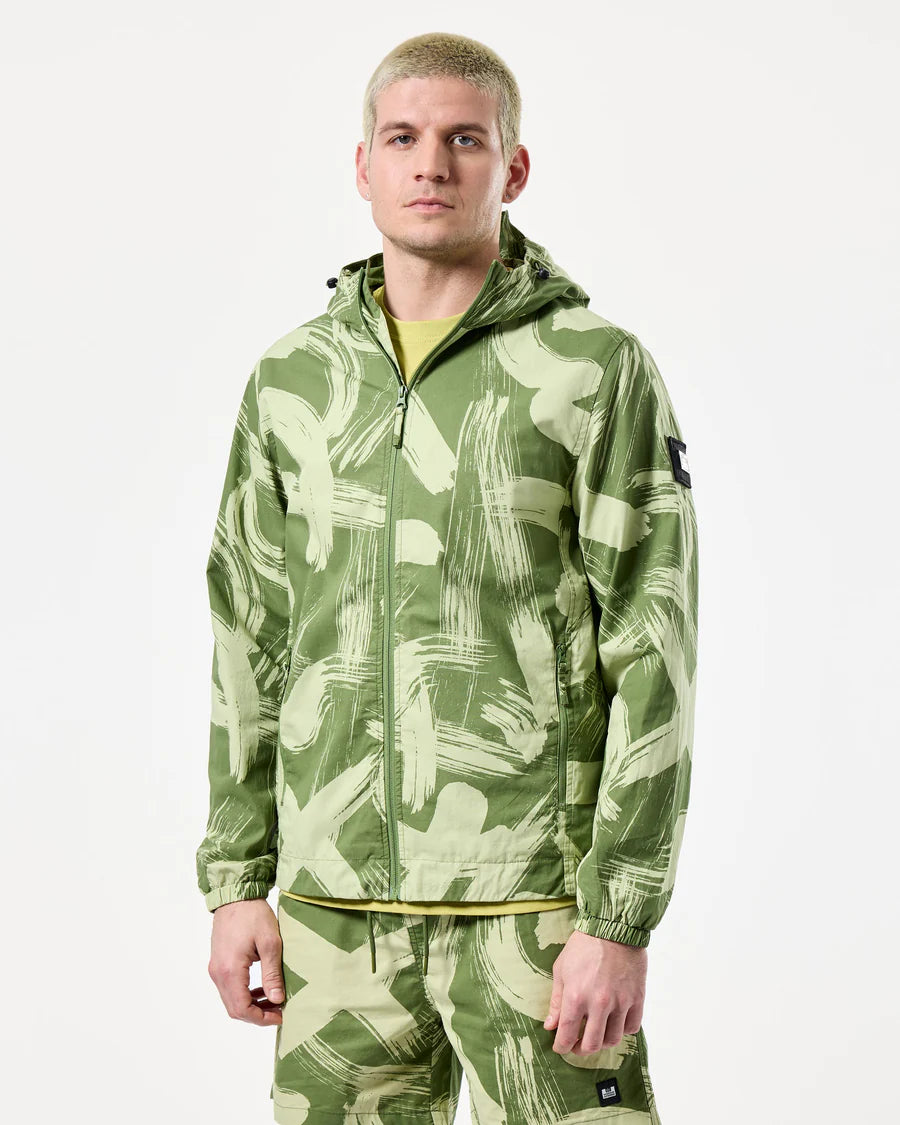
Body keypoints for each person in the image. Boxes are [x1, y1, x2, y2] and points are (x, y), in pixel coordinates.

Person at [196, 30, 699, 1125]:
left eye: (465, 140)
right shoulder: (293, 381)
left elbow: (652, 646)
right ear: (363, 165)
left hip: (536, 906)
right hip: (334, 915)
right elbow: (251, 638)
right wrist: (236, 882)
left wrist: (618, 918)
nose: (431, 164)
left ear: (512, 168)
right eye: (403, 138)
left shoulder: (592, 368)